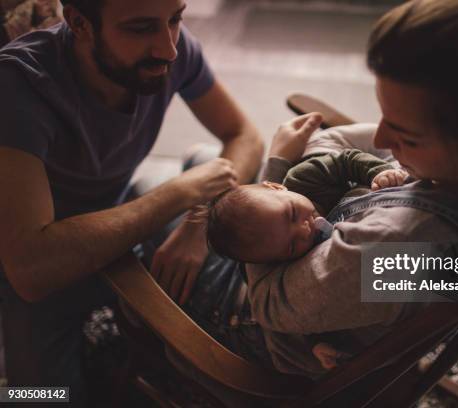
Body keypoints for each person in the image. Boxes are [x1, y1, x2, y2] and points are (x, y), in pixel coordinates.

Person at [181, 0, 458, 379]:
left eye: (406, 134)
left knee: (190, 188)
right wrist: (284, 191)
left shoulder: (392, 250)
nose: (384, 141)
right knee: (210, 173)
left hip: (259, 327)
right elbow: (343, 143)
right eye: (384, 114)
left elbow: (270, 306)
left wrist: (276, 169)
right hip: (311, 257)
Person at [0, 0, 263, 403]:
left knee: (217, 170)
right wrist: (179, 194)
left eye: (175, 19)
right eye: (140, 28)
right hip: (39, 257)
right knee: (37, 396)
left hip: (124, 211)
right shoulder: (17, 85)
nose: (168, 49)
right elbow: (30, 270)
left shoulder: (173, 48)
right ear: (80, 23)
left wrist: (200, 219)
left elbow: (243, 134)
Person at [207, 128, 409, 263]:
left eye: (292, 214)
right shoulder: (298, 256)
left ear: (277, 187)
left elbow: (347, 160)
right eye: (292, 246)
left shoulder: (303, 177)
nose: (305, 230)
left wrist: (378, 173)